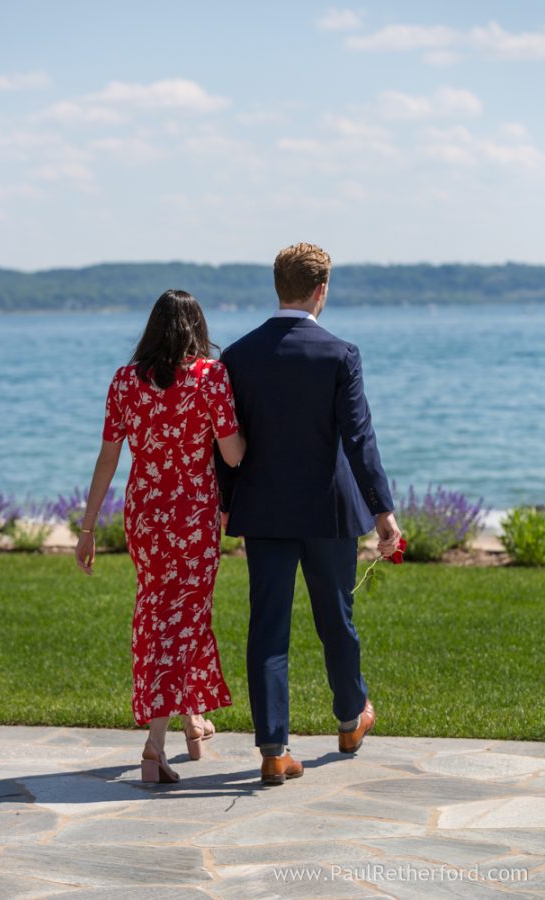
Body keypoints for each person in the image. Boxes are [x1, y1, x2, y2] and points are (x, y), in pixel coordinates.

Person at [215, 243, 401, 785]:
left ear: (278, 286)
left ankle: (274, 750)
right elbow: (359, 438)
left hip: (264, 511)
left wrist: (226, 504)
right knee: (336, 620)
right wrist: (383, 510)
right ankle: (350, 719)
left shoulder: (238, 356)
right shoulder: (340, 354)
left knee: (268, 627)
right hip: (328, 512)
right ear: (321, 290)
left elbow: (224, 442)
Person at [75, 290, 245, 784]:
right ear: (198, 328)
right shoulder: (210, 377)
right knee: (183, 617)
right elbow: (233, 454)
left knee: (164, 612)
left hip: (146, 515)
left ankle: (193, 721)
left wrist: (87, 527)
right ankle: (154, 744)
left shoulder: (124, 381)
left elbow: (108, 458)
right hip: (193, 517)